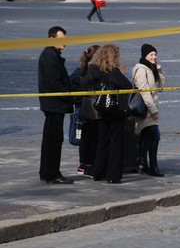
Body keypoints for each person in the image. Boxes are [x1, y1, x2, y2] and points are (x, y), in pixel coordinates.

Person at [89, 44, 133, 183]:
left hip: (101, 109)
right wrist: (120, 72)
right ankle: (113, 175)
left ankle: (98, 172)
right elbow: (128, 86)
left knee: (103, 141)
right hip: (114, 110)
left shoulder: (94, 70)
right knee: (116, 142)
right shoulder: (114, 72)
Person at [38, 26, 74, 184]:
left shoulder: (50, 54)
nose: (65, 42)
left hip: (53, 105)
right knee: (54, 140)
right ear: (52, 39)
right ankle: (52, 173)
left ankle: (47, 172)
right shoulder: (50, 56)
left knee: (50, 139)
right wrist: (70, 95)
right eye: (62, 39)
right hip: (54, 105)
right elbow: (54, 84)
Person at [132, 44, 166, 177]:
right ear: (145, 55)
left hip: (151, 107)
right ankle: (152, 166)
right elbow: (145, 92)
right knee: (154, 136)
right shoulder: (140, 69)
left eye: (155, 54)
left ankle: (143, 164)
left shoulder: (152, 69)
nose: (154, 57)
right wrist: (153, 110)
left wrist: (160, 70)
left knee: (147, 137)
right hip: (145, 109)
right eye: (151, 54)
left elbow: (161, 87)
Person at [70, 45, 100, 177]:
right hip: (86, 109)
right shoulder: (90, 71)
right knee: (88, 139)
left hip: (81, 108)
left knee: (85, 139)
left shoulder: (80, 70)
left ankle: (84, 165)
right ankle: (86, 165)